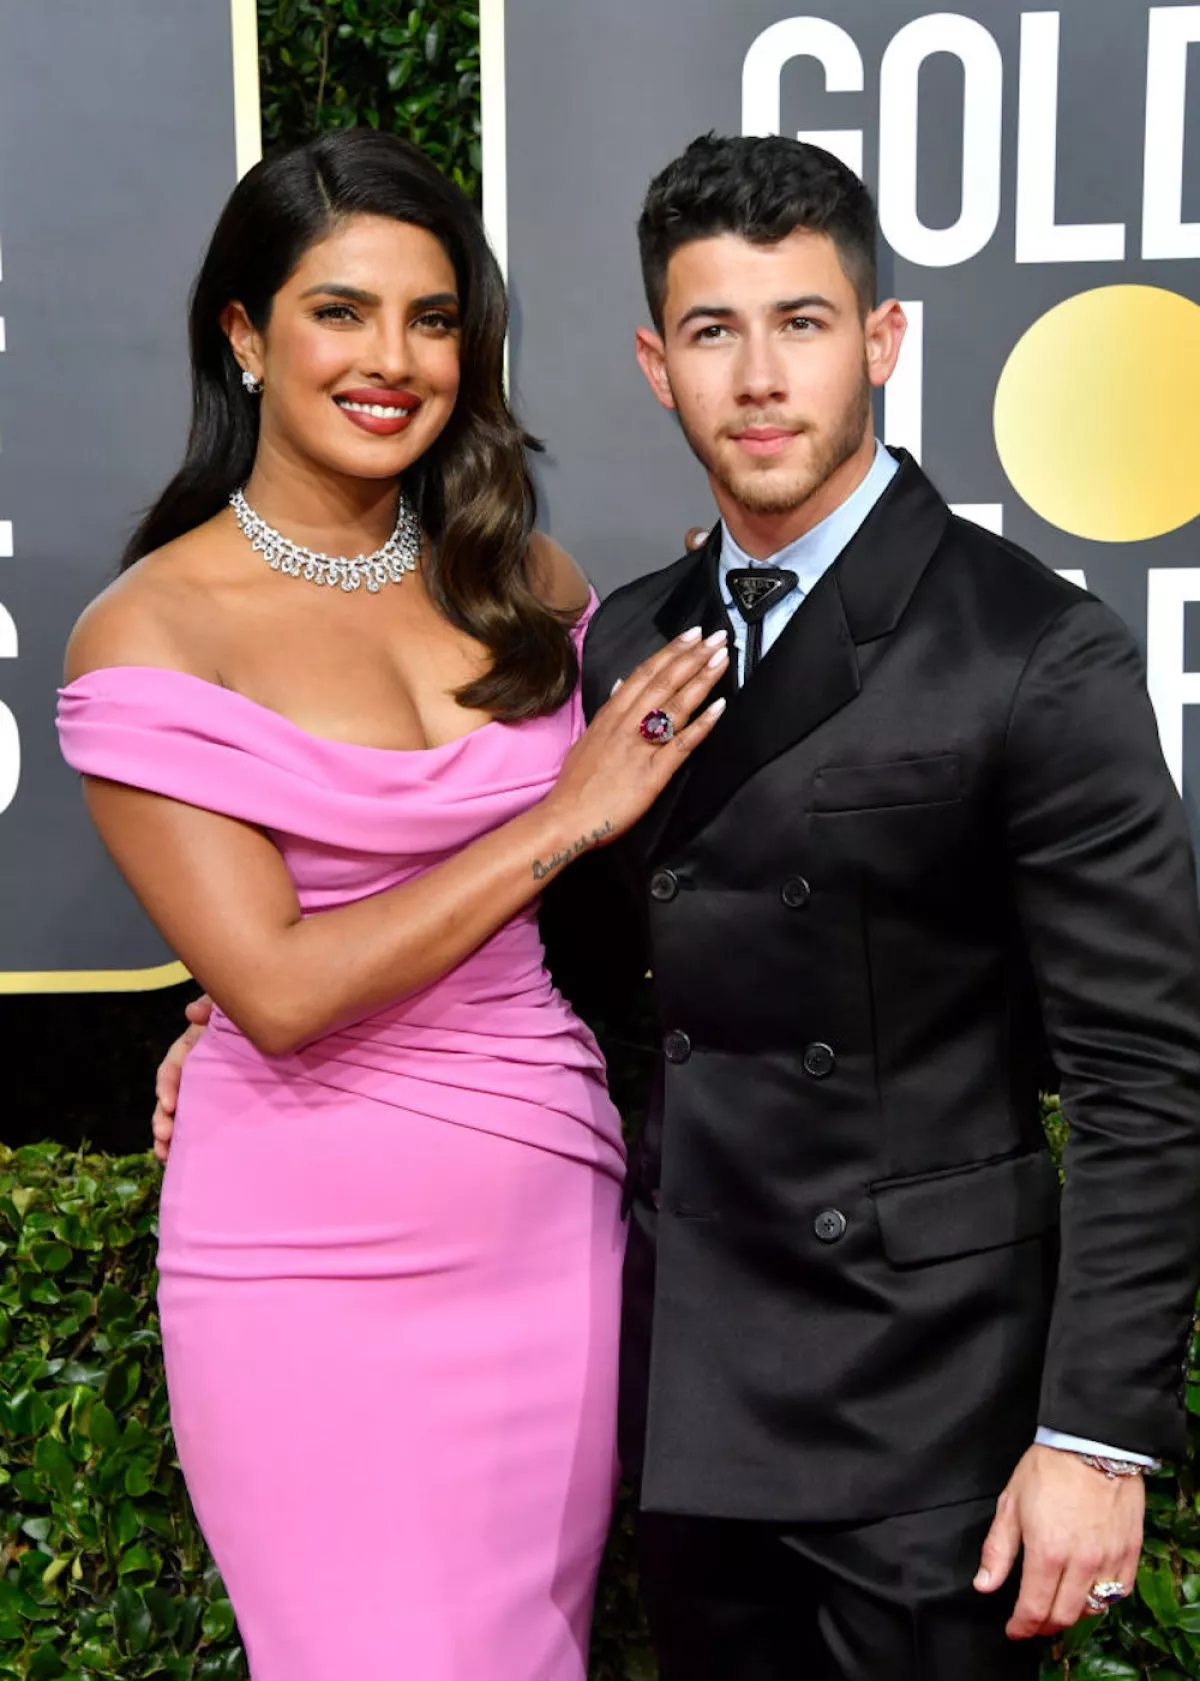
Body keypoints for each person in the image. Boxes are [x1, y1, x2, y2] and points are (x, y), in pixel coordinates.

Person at [152, 133, 1200, 1679]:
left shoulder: (1033, 649)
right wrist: (234, 1011)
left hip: (934, 1421)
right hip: (690, 1402)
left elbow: (1144, 1075)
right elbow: (562, 958)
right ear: (657, 366)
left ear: (882, 341)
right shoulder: (622, 636)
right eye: (714, 331)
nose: (759, 379)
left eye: (802, 324)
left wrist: (1097, 1436)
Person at [57, 129, 727, 1681]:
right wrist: (560, 817)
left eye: (431, 319)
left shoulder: (525, 581)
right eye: (340, 312)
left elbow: (646, 853)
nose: (392, 360)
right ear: (244, 335)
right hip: (302, 1250)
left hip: (542, 1209)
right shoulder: (151, 630)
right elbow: (283, 990)